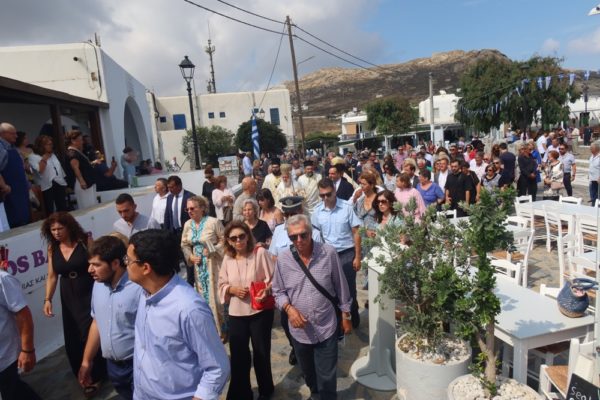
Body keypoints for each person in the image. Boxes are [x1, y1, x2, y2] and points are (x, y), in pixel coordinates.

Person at [127, 229, 230, 400]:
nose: (126, 265)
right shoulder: (144, 293)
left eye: (128, 260)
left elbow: (217, 367)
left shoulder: (189, 309)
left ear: (145, 268)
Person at [272, 215, 352, 400]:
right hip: (300, 332)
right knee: (309, 373)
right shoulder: (283, 259)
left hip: (326, 326)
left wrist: (346, 315)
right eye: (293, 237)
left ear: (311, 233)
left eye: (303, 235)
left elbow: (341, 286)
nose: (299, 240)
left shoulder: (328, 253)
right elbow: (277, 291)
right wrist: (289, 309)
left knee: (327, 377)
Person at [42, 212, 106, 396]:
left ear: (69, 227)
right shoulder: (52, 248)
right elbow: (52, 276)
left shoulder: (85, 241)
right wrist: (48, 299)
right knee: (73, 335)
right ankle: (82, 374)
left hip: (88, 290)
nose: (56, 232)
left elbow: (97, 264)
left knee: (90, 332)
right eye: (53, 229)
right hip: (68, 295)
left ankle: (97, 374)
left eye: (59, 228)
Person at [79, 236, 142, 400]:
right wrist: (87, 361)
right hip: (113, 368)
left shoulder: (139, 288)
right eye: (90, 264)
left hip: (139, 365)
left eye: (96, 265)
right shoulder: (97, 285)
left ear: (115, 263)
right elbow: (96, 323)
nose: (90, 270)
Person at [218, 221, 275, 400]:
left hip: (259, 312)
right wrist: (231, 289)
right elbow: (221, 283)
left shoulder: (260, 253)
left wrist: (267, 290)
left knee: (261, 353)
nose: (238, 241)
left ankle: (266, 390)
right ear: (228, 241)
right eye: (233, 238)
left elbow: (274, 278)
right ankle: (243, 394)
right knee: (239, 356)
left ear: (248, 236)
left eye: (241, 236)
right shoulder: (228, 258)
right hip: (236, 313)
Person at [268, 196, 323, 366]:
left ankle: (315, 347)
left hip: (308, 285)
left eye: (293, 213)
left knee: (311, 318)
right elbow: (273, 256)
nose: (289, 217)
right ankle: (296, 347)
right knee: (286, 322)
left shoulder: (313, 232)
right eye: (287, 214)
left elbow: (320, 260)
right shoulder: (279, 231)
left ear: (301, 212)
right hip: (286, 286)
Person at [312, 178, 361, 327]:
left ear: (334, 191)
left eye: (328, 194)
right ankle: (338, 320)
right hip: (327, 255)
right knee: (331, 288)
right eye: (322, 195)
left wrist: (358, 256)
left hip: (346, 253)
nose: (326, 198)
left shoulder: (346, 207)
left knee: (349, 288)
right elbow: (315, 235)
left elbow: (356, 232)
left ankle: (353, 316)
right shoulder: (317, 211)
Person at [180, 195, 227, 341]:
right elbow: (184, 244)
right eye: (187, 209)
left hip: (213, 264)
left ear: (202, 208)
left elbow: (225, 240)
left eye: (192, 208)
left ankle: (223, 330)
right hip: (198, 267)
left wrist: (213, 249)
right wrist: (190, 257)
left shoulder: (214, 222)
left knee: (216, 298)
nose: (189, 211)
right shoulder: (188, 224)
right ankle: (209, 329)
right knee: (202, 297)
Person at [0, 265, 41, 400]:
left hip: (5, 359)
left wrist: (27, 350)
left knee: (14, 392)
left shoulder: (3, 279)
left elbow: (23, 316)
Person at [0, 122, 30, 227]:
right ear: (3, 134)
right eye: (13, 133)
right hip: (10, 195)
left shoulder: (12, 148)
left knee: (23, 221)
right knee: (14, 223)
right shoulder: (1, 148)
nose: (16, 136)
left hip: (20, 192)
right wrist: (4, 186)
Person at [29, 135, 68, 214]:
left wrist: (64, 181)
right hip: (46, 186)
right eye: (49, 144)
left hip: (59, 183)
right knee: (49, 209)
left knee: (63, 207)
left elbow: (59, 169)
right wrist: (44, 159)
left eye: (51, 144)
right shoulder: (33, 157)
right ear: (41, 145)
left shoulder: (53, 155)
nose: (51, 146)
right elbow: (40, 171)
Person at [65, 130, 97, 210]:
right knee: (87, 206)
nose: (82, 142)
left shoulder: (77, 152)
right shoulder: (72, 153)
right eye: (80, 140)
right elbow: (75, 167)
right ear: (73, 141)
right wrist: (82, 182)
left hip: (88, 181)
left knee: (92, 205)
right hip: (82, 183)